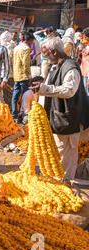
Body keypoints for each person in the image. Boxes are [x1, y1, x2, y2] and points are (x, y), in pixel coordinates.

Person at [30, 36, 89, 180]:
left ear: (55, 52)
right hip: (58, 118)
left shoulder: (70, 68)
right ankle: (59, 180)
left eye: (45, 53)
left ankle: (64, 182)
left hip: (68, 118)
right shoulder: (56, 66)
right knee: (58, 153)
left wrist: (44, 88)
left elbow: (69, 90)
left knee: (65, 155)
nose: (43, 56)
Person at [11, 31, 34, 119]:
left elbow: (12, 60)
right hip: (24, 75)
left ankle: (14, 113)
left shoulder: (16, 47)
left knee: (15, 94)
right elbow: (26, 64)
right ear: (29, 40)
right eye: (32, 41)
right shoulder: (26, 49)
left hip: (16, 74)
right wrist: (29, 76)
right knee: (24, 95)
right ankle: (22, 114)